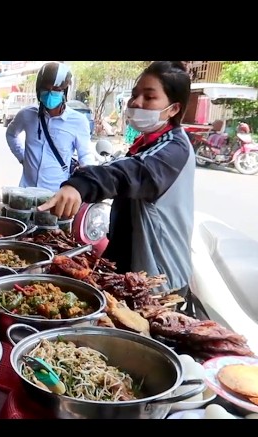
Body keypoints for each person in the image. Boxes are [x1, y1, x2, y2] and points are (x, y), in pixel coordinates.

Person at [38, 61, 194, 294]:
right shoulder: (145, 143)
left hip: (157, 281)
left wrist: (80, 186)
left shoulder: (173, 149)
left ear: (173, 109)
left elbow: (129, 172)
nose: (136, 102)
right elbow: (117, 164)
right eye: (135, 94)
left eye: (149, 97)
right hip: (127, 266)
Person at [6, 62, 96, 192]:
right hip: (26, 192)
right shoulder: (26, 115)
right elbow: (11, 134)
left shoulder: (78, 121)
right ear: (38, 90)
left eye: (56, 90)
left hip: (56, 195)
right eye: (46, 89)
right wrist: (22, 157)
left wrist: (84, 183)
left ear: (64, 92)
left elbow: (85, 156)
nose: (50, 93)